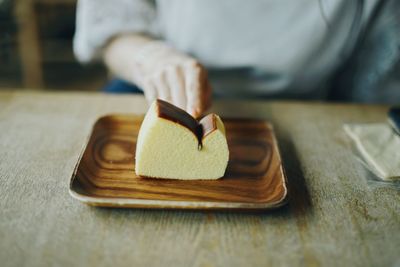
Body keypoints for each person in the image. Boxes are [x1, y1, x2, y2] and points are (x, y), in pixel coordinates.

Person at [74, 0, 398, 118]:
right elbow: (112, 29)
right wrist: (148, 56)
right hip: (152, 89)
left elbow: (372, 95)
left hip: (309, 106)